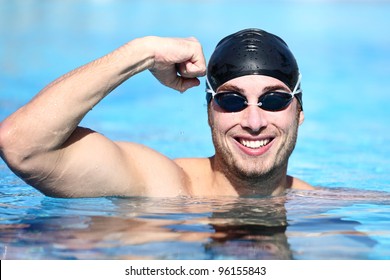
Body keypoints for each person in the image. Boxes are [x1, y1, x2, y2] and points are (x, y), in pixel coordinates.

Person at [0, 28, 313, 198]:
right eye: (232, 101)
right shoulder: (163, 186)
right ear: (210, 114)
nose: (254, 121)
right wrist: (143, 52)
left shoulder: (326, 210)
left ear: (298, 112)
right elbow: (22, 146)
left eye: (273, 101)